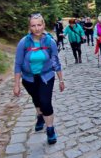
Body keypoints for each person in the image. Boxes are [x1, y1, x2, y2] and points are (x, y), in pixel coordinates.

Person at [14, 13, 64, 145]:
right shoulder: (24, 43)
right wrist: (16, 84)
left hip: (46, 76)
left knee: (45, 101)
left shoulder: (50, 42)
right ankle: (40, 116)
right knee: (36, 99)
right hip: (29, 78)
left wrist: (61, 80)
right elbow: (18, 64)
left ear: (44, 25)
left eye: (39, 25)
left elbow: (55, 61)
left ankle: (50, 129)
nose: (37, 28)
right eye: (33, 25)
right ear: (30, 27)